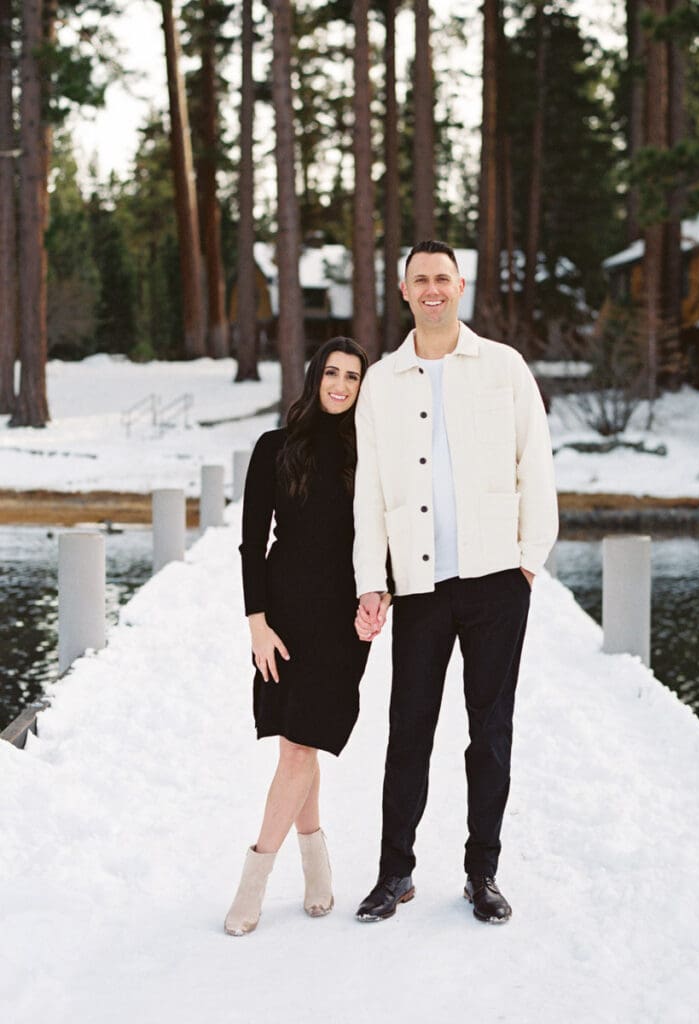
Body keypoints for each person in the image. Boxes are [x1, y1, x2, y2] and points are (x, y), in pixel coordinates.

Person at [352, 240, 558, 925]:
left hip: (498, 580)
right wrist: (370, 580)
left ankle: (483, 873)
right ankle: (395, 873)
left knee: (489, 731)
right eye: (421, 280)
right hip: (418, 586)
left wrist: (529, 561)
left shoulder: (502, 367)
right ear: (403, 291)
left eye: (443, 278)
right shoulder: (382, 380)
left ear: (459, 286)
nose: (433, 289)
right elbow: (368, 490)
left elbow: (538, 463)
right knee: (408, 729)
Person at [224, 337, 389, 936]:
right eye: (333, 373)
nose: (341, 385)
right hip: (284, 618)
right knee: (298, 746)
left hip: (344, 623)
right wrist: (256, 622)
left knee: (303, 744)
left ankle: (253, 880)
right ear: (315, 376)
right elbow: (250, 542)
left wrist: (383, 594)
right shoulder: (275, 448)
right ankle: (315, 868)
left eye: (353, 377)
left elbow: (387, 536)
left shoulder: (370, 454)